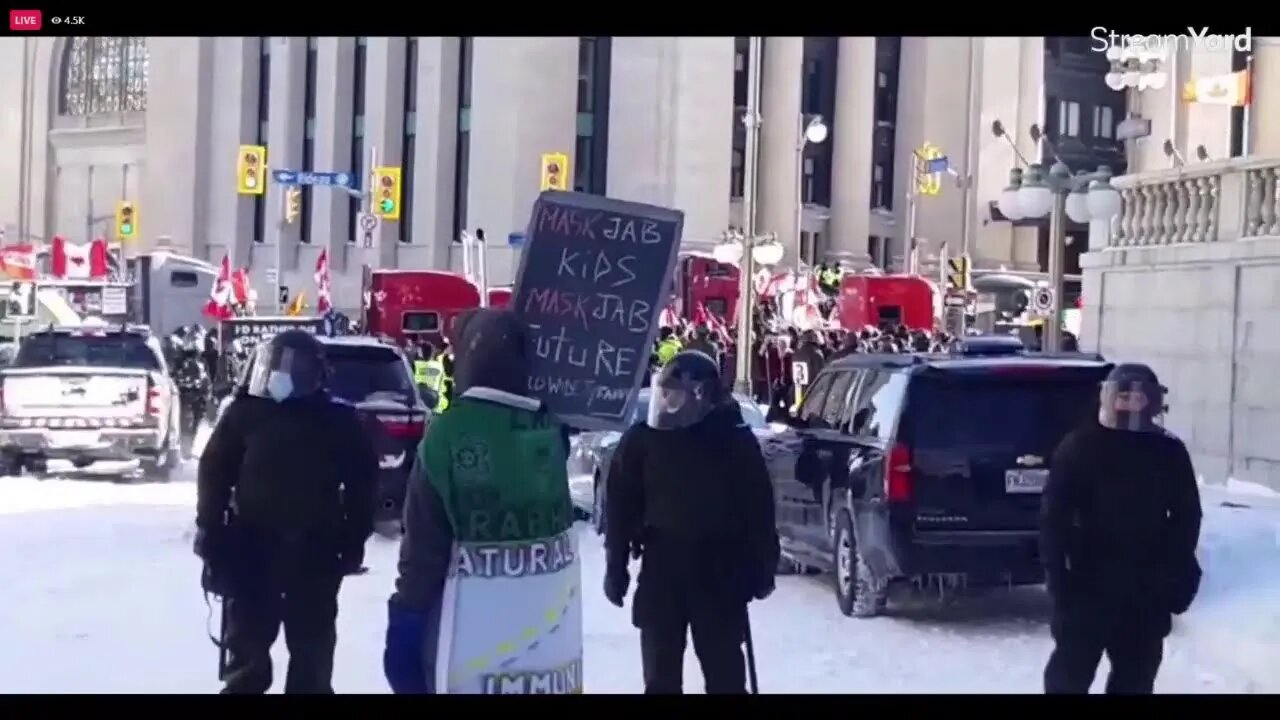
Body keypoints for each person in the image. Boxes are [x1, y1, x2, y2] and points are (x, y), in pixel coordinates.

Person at [383, 309, 579, 694]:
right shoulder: (551, 431)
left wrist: (405, 620)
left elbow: (424, 545)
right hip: (546, 642)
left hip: (465, 636)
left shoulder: (447, 436)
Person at [195, 329, 378, 694]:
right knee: (246, 647)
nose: (282, 376)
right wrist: (210, 528)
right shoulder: (246, 413)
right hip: (251, 548)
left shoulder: (336, 421)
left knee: (311, 650)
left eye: (294, 368)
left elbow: (363, 482)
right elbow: (214, 471)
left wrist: (354, 537)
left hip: (314, 549)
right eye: (276, 365)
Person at [604, 351, 779, 694]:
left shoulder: (733, 441)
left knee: (725, 676)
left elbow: (758, 510)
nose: (668, 402)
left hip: (719, 572)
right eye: (664, 393)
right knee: (660, 678)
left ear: (701, 396)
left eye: (676, 394)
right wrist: (616, 564)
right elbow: (620, 507)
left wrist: (762, 566)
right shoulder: (643, 440)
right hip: (661, 567)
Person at [1040, 363, 1202, 695]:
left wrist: (1177, 572)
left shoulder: (1168, 451)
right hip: (1087, 585)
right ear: (1108, 398)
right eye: (1123, 396)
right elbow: (1053, 519)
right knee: (1068, 679)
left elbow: (1187, 517)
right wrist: (1058, 579)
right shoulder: (1080, 447)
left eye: (1138, 398)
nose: (1130, 405)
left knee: (1136, 680)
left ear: (1153, 402)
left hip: (1145, 589)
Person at [172, 325, 213, 458]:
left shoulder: (202, 361)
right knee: (186, 424)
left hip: (199, 397)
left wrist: (206, 391)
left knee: (195, 423)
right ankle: (185, 450)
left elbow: (206, 377)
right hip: (187, 396)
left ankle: (189, 448)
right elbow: (176, 377)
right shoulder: (182, 361)